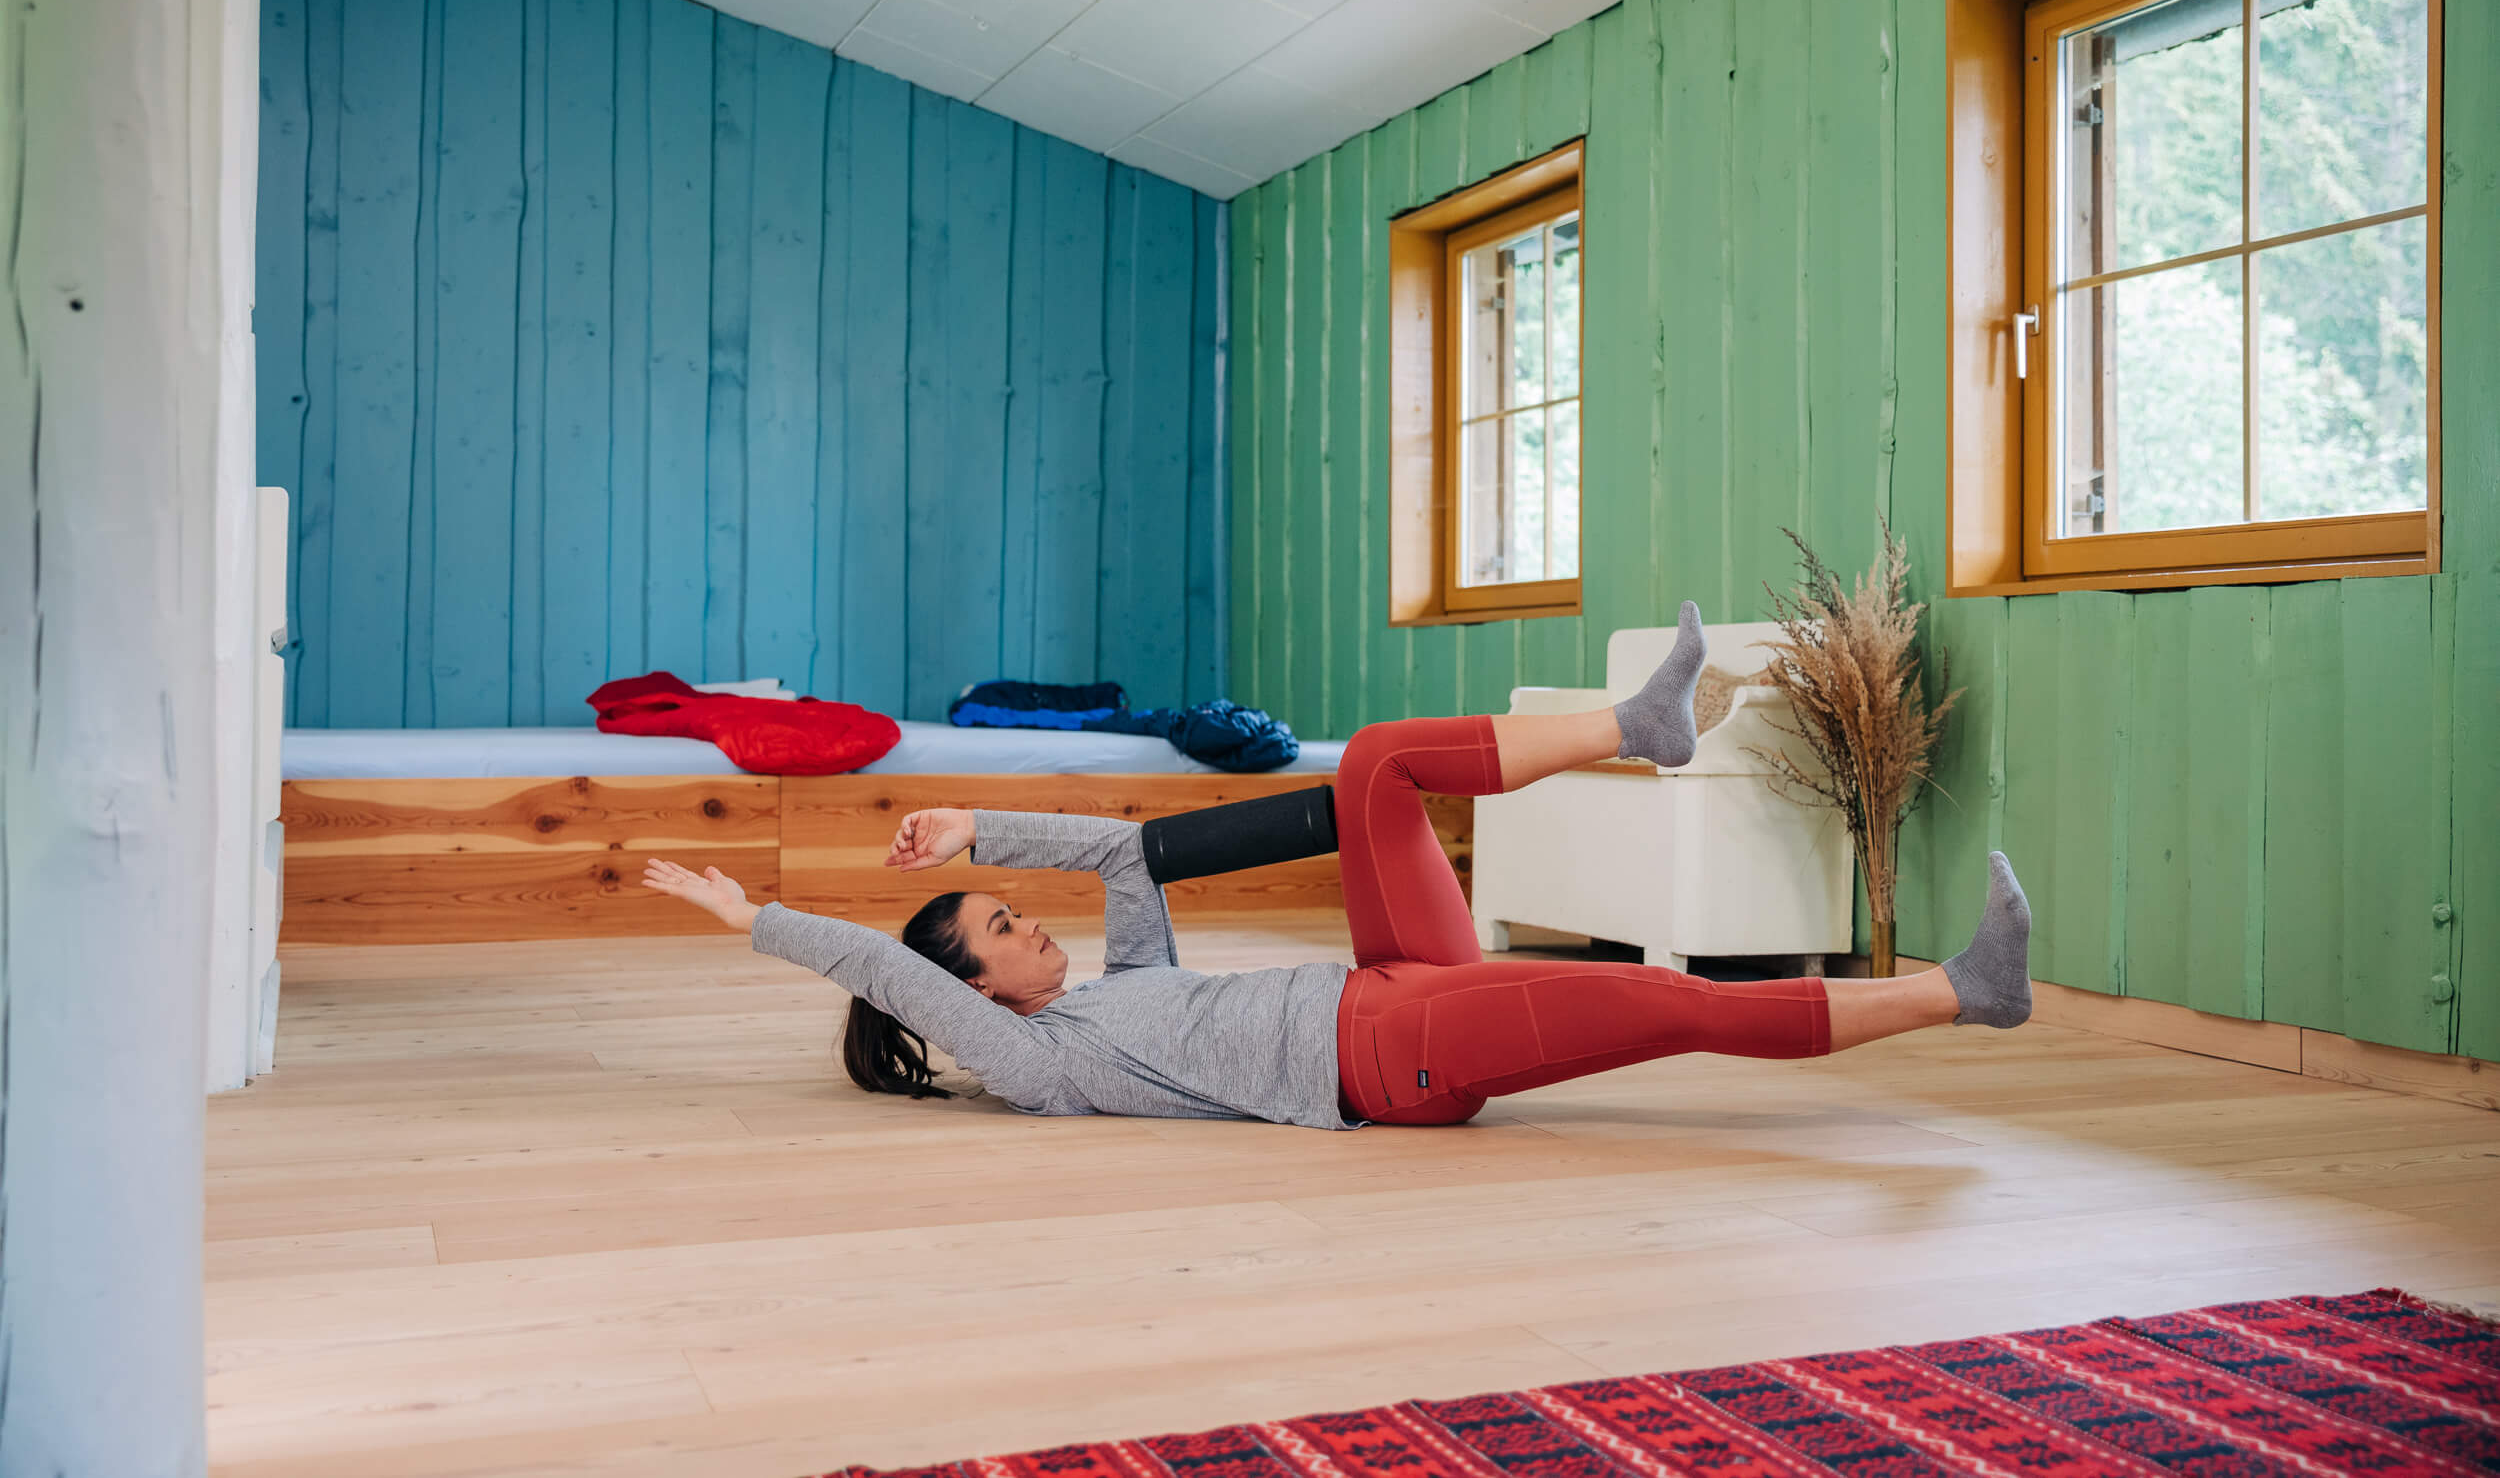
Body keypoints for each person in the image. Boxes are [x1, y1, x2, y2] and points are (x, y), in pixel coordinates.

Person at [642, 604, 2034, 1129]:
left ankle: (1634, 725)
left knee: (1372, 761)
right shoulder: (1041, 1068)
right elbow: (886, 965)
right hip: (1392, 1060)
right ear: (975, 991)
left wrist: (972, 832)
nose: (1030, 926)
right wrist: (758, 916)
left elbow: (1134, 857)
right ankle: (1962, 994)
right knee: (1680, 1005)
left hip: (1393, 978)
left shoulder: (1104, 1004)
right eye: (1005, 926)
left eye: (1012, 911)